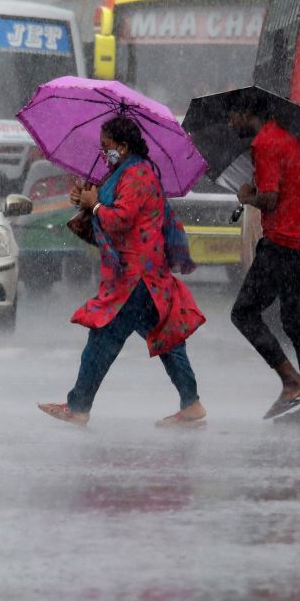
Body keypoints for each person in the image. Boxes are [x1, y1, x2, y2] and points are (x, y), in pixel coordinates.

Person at [38, 115, 207, 428]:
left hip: (135, 278)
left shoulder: (137, 176)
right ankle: (192, 404)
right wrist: (86, 200)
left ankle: (78, 406)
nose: (104, 153)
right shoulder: (125, 172)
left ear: (124, 146)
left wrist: (96, 206)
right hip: (146, 275)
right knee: (167, 339)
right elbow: (110, 206)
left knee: (103, 338)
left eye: (107, 147)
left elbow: (120, 219)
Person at [228, 93, 300, 426]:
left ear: (247, 113)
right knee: (297, 323)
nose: (231, 123)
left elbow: (269, 199)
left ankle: (291, 381)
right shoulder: (286, 140)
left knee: (243, 313)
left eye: (233, 116)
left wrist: (247, 197)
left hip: (282, 244)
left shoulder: (266, 144)